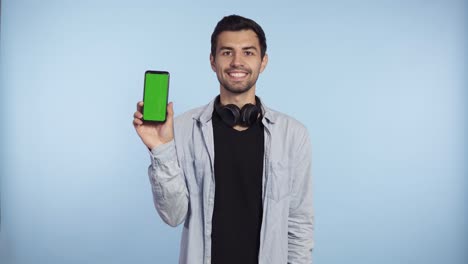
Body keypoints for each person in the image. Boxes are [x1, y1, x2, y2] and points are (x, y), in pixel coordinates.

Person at [133, 14, 313, 264]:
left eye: (248, 52)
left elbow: (298, 225)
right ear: (212, 60)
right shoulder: (182, 128)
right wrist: (160, 148)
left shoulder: (293, 134)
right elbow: (173, 215)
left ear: (263, 62)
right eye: (227, 52)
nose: (237, 62)